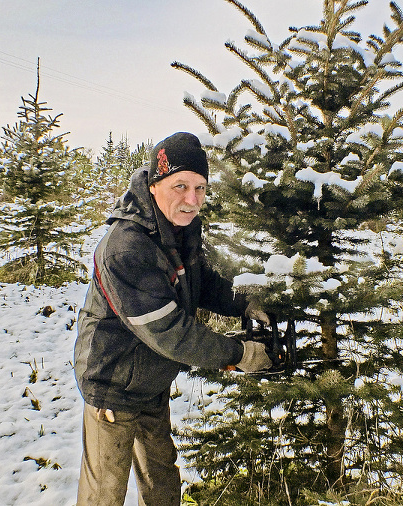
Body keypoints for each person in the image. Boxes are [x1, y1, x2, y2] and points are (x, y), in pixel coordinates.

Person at [73, 131, 273, 505]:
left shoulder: (180, 228)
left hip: (151, 380)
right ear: (153, 184)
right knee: (105, 492)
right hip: (113, 384)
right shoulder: (127, 248)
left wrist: (245, 302)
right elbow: (170, 333)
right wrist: (239, 354)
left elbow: (202, 281)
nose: (191, 200)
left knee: (162, 479)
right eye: (180, 185)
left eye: (200, 188)